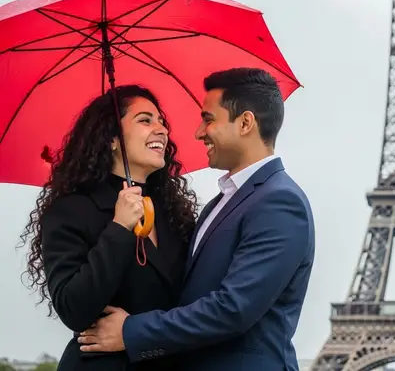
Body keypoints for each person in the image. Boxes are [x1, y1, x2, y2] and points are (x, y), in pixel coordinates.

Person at [79, 68, 316, 371]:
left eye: (208, 119)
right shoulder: (220, 203)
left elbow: (233, 309)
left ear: (245, 123)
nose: (198, 132)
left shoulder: (279, 202)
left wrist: (130, 331)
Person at [19, 85, 198, 370]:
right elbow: (73, 308)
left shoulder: (175, 214)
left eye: (161, 121)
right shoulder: (72, 210)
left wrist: (136, 332)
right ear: (112, 138)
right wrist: (119, 227)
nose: (161, 129)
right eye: (145, 120)